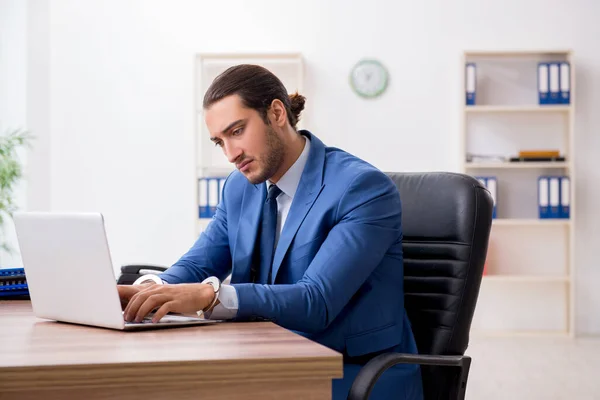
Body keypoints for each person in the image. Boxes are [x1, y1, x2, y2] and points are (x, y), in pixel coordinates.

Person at [117, 64, 423, 400]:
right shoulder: (239, 187)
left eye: (237, 132)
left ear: (276, 112)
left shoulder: (361, 188)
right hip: (271, 359)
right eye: (220, 142)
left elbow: (316, 300)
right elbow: (199, 264)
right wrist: (146, 290)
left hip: (353, 372)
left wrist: (211, 295)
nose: (231, 154)